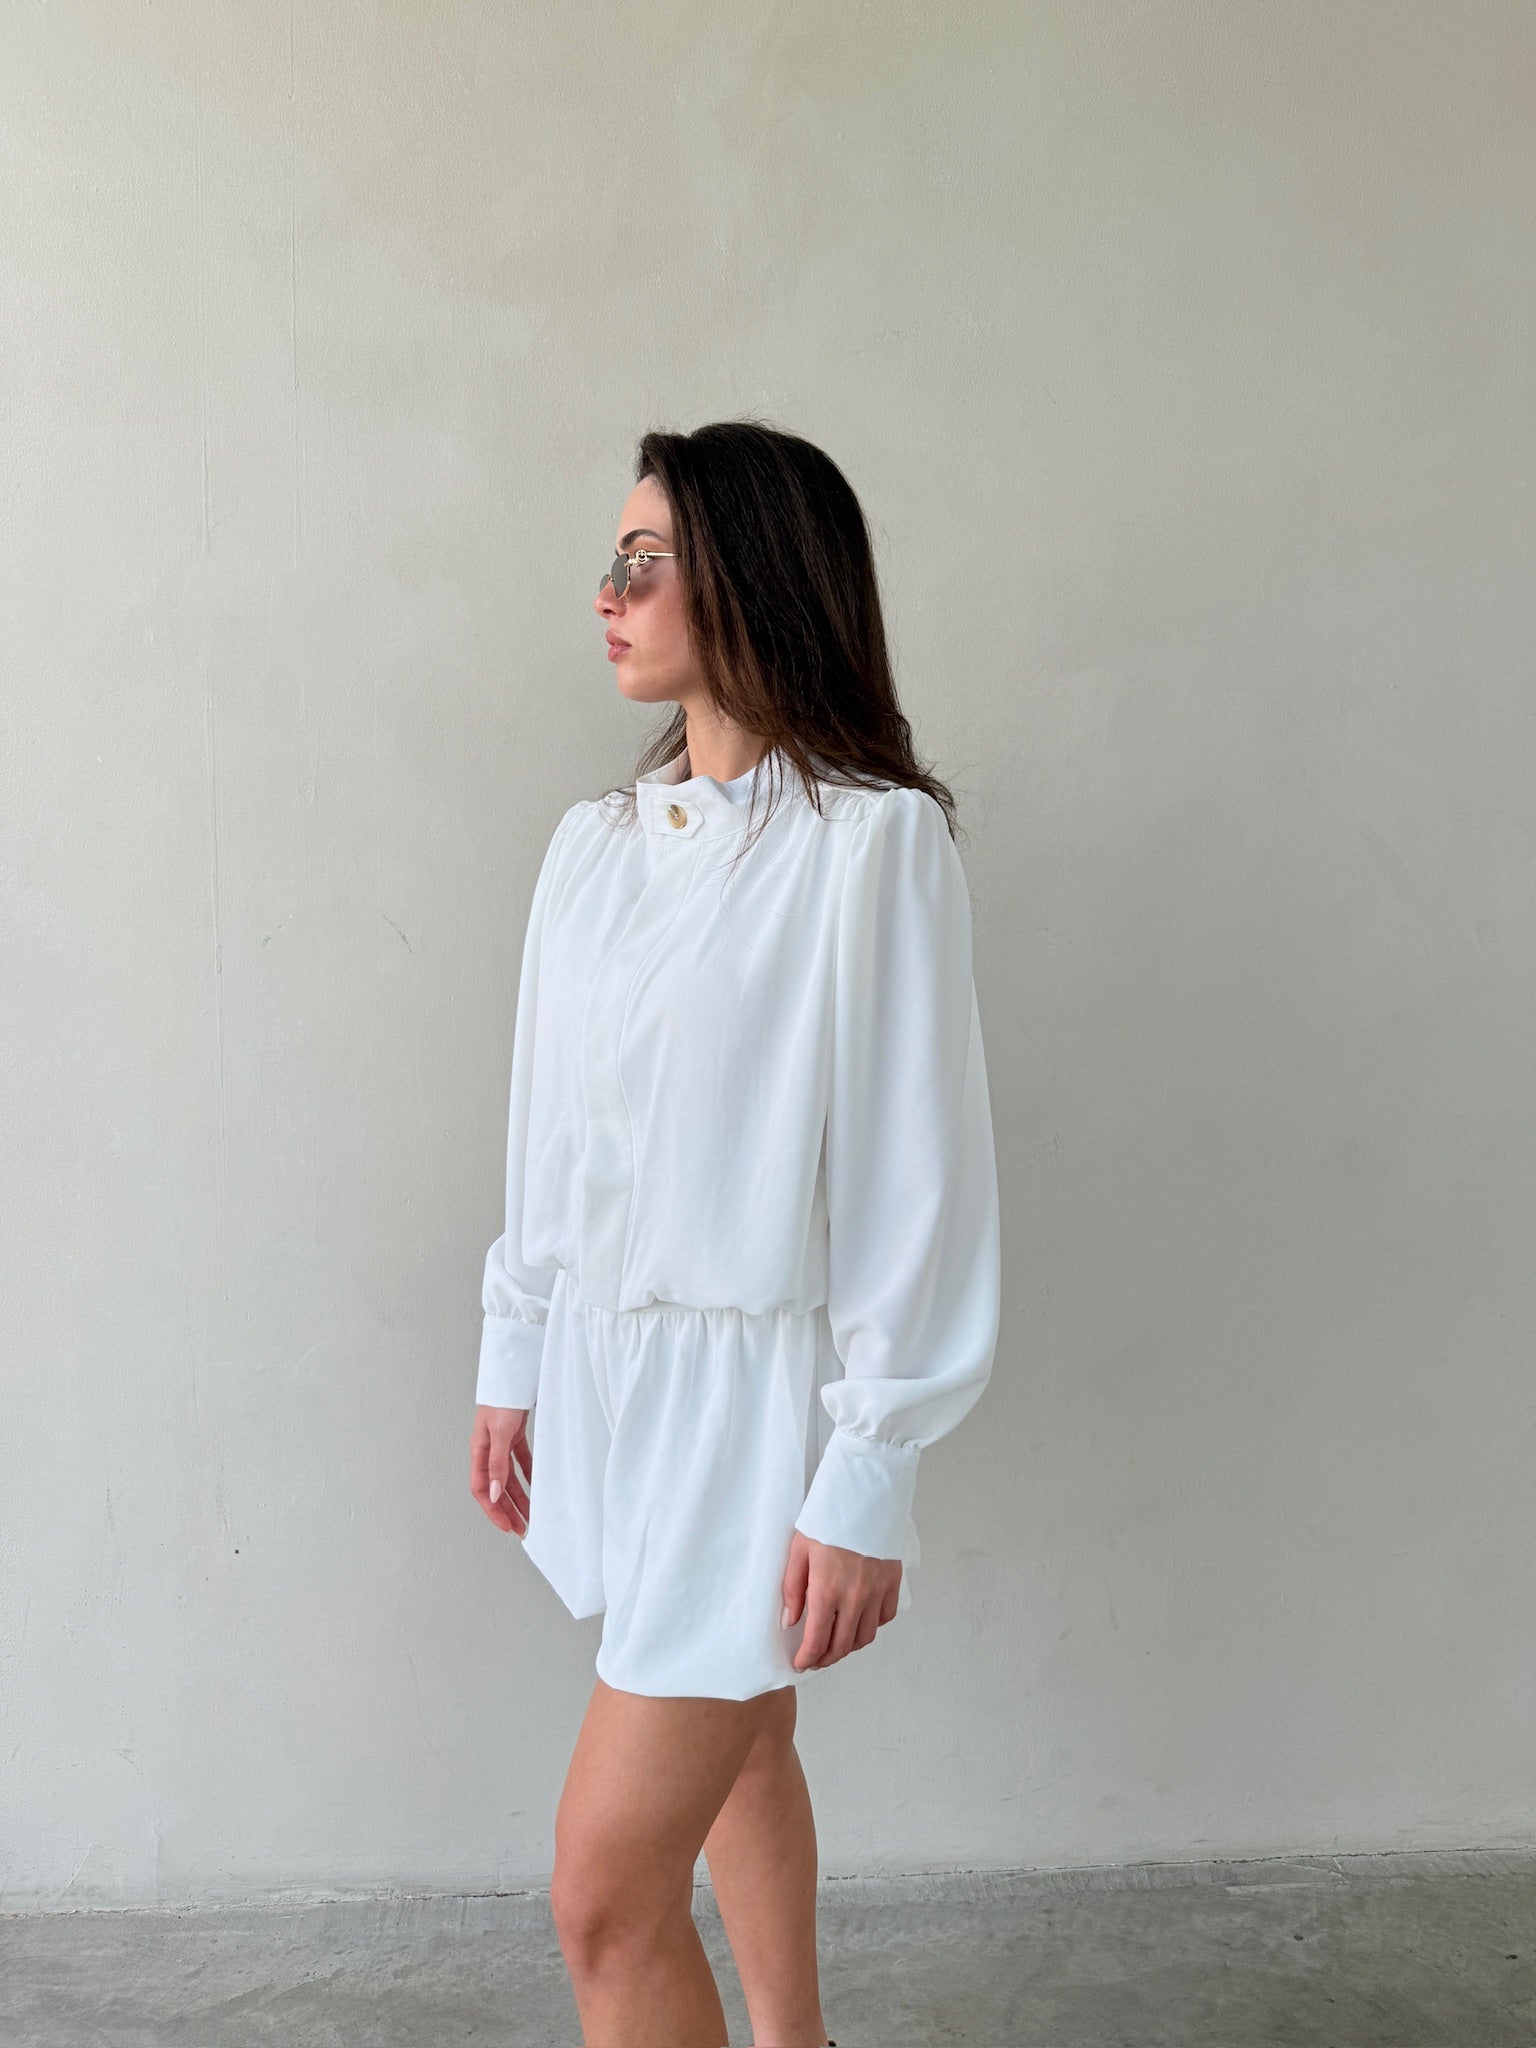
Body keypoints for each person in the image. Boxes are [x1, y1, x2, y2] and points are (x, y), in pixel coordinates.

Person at [468, 419, 1001, 2048]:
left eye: (649, 561)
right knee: (744, 1743)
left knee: (603, 1898)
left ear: (753, 576)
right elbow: (549, 1129)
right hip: (610, 1385)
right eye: (612, 560)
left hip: (743, 1416)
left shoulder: (869, 847)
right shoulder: (597, 849)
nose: (609, 593)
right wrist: (514, 1349)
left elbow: (918, 1179)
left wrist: (870, 1466)